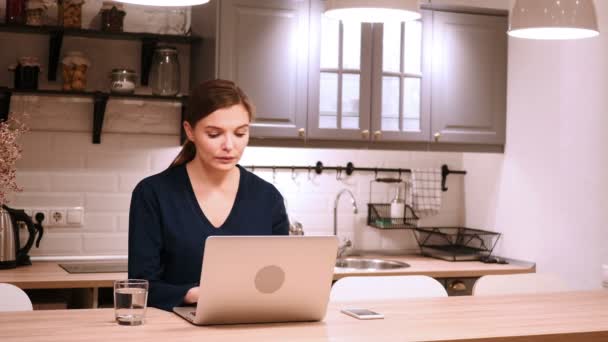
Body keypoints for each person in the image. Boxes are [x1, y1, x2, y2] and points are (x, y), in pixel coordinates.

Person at [128, 79, 289, 311]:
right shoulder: (153, 194)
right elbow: (141, 287)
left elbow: (280, 279)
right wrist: (193, 294)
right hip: (174, 331)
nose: (229, 145)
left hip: (250, 326)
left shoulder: (268, 198)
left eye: (240, 133)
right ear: (189, 131)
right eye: (214, 134)